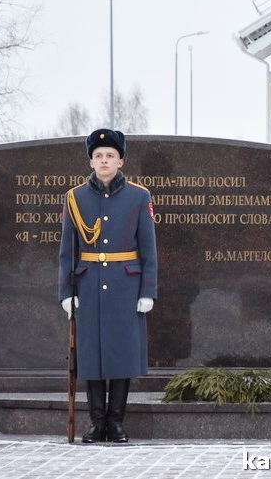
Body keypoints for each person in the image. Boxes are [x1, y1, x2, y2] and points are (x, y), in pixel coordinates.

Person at [58, 129, 158, 443]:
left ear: (120, 160)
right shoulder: (75, 198)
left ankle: (115, 423)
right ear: (91, 160)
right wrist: (66, 291)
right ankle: (96, 423)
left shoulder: (139, 196)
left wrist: (147, 291)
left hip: (125, 285)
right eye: (99, 155)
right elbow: (67, 250)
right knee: (91, 355)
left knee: (121, 355)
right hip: (88, 285)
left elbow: (148, 248)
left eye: (110, 156)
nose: (104, 161)